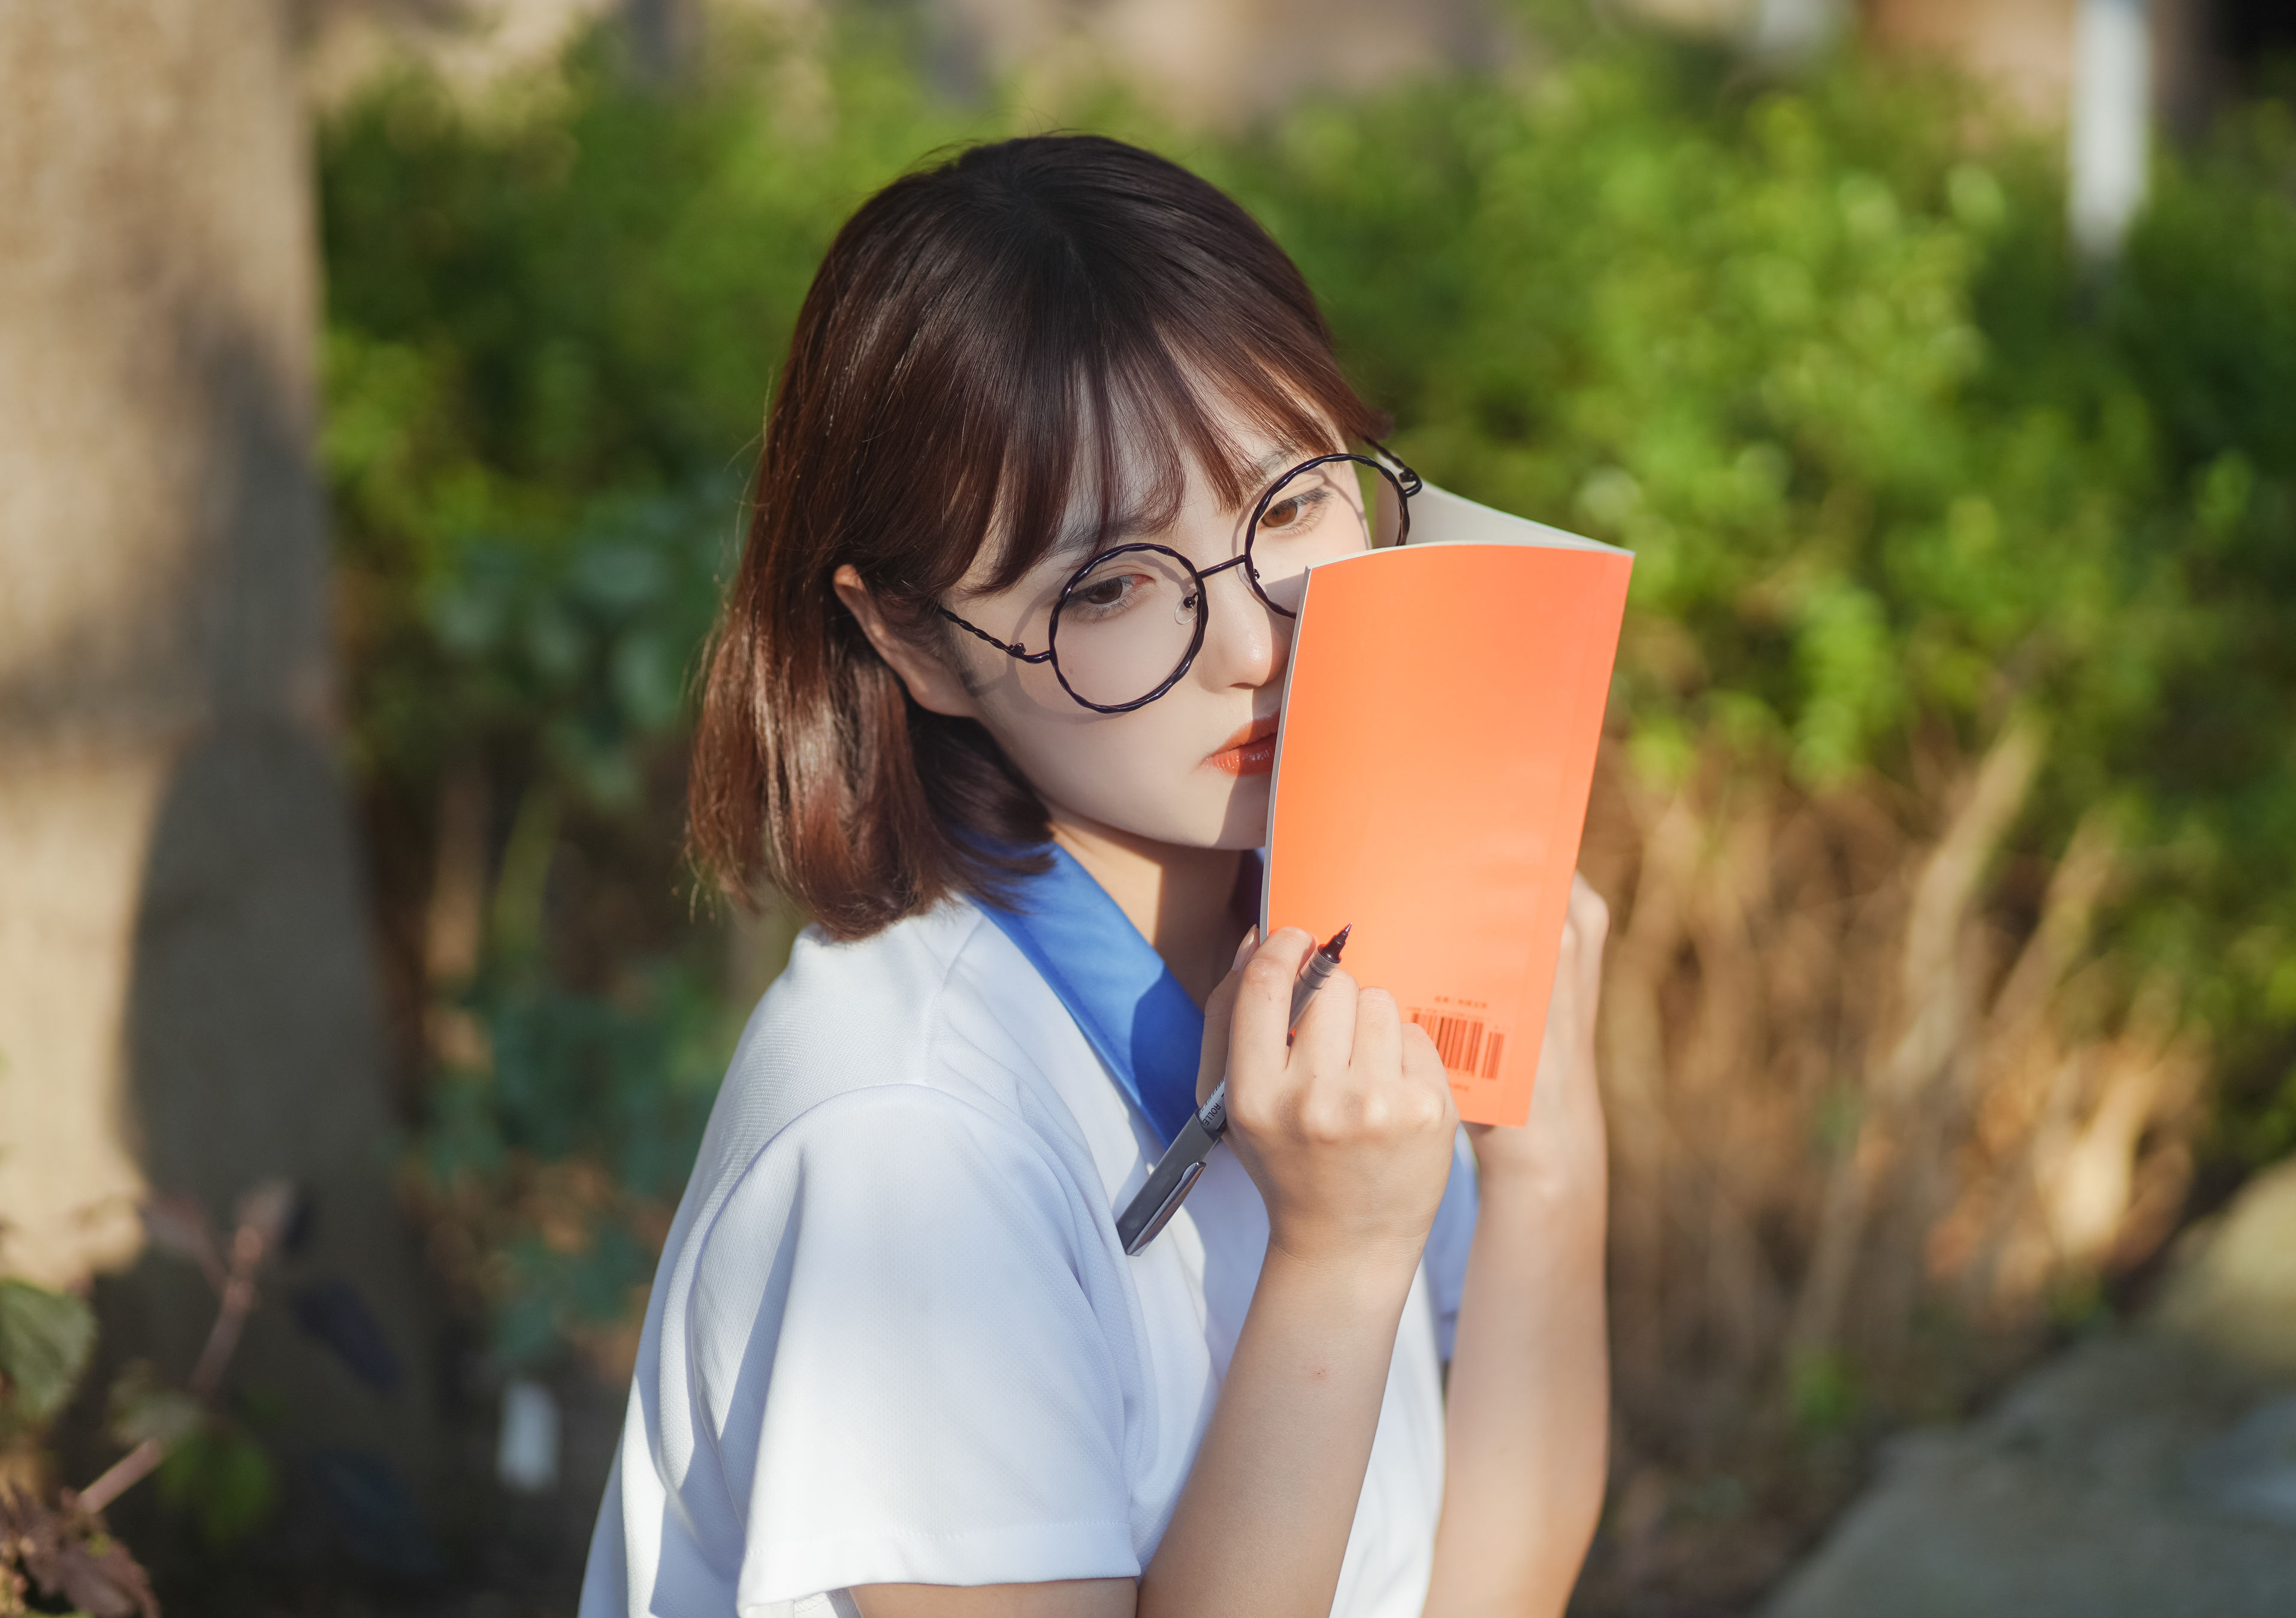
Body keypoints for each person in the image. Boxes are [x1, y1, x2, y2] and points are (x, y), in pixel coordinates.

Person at [579, 133, 1610, 1618]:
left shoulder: (1310, 946)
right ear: (916, 643)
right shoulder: (905, 1137)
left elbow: (1475, 1596)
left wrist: (1545, 1164)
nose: (1261, 644)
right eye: (1111, 586)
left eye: (1292, 504)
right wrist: (1332, 1260)